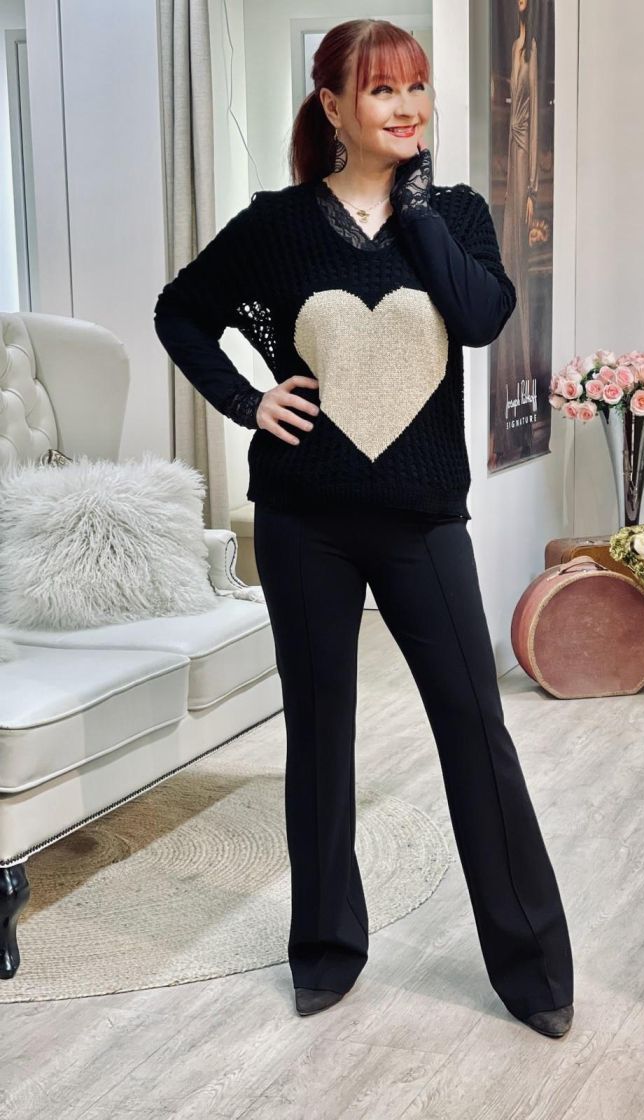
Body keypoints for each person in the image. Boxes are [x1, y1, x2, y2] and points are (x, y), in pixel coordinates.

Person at [153, 18, 574, 1040]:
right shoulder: (276, 225)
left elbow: (480, 317)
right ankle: (327, 951)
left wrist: (415, 203)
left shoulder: (455, 213)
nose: (407, 106)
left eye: (416, 87)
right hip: (304, 522)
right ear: (334, 107)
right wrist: (248, 400)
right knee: (320, 738)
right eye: (383, 90)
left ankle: (533, 970)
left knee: (475, 729)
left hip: (423, 522)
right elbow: (181, 310)